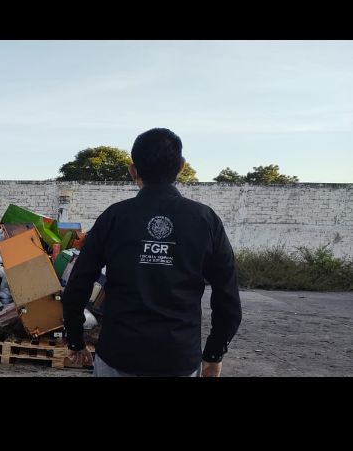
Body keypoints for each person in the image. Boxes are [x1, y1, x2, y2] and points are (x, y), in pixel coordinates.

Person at [62, 128, 242, 377]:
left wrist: (75, 339)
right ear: (181, 166)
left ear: (133, 170)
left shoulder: (114, 217)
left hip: (118, 355)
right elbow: (227, 296)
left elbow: (78, 282)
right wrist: (214, 354)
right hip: (178, 358)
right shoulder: (205, 220)